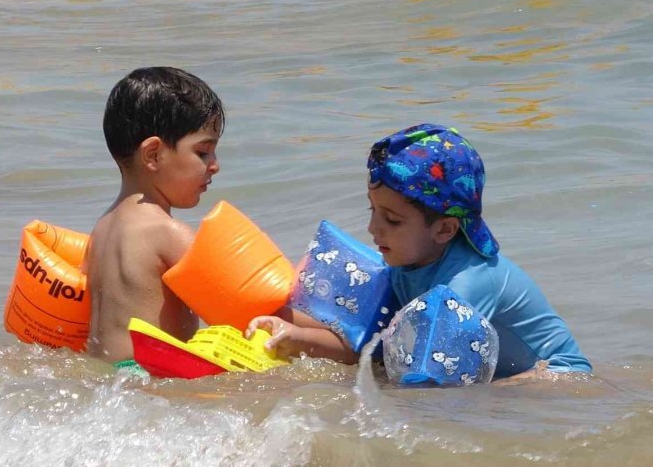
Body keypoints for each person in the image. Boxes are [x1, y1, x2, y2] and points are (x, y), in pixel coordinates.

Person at [248, 123, 591, 378]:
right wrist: (294, 336)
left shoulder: (469, 284)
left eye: (392, 220)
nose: (373, 228)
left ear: (444, 229)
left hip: (558, 378)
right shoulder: (406, 265)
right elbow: (366, 346)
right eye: (372, 210)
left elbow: (432, 385)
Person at [84, 67, 224, 364]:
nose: (215, 165)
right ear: (153, 155)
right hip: (147, 380)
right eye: (203, 152)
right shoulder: (167, 233)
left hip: (111, 376)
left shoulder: (101, 230)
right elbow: (240, 306)